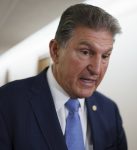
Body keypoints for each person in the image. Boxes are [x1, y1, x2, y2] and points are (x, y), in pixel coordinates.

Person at [0, 3, 127, 150]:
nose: (97, 69)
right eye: (85, 52)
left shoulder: (109, 110)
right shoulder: (7, 103)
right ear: (55, 51)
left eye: (105, 56)